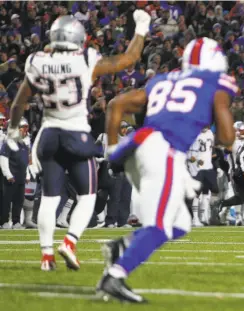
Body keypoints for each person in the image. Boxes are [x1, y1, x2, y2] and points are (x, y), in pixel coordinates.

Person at [5, 11, 152, 271]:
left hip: (49, 134)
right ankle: (70, 242)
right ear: (78, 37)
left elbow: (18, 103)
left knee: (50, 198)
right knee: (87, 195)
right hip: (76, 134)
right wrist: (141, 27)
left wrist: (13, 130)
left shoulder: (37, 60)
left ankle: (46, 256)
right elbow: (129, 58)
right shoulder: (85, 58)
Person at [96, 37, 236, 303]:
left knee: (180, 223)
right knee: (159, 226)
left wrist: (111, 149)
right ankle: (114, 276)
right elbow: (228, 137)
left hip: (136, 148)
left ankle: (122, 247)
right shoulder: (215, 83)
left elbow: (116, 105)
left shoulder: (164, 80)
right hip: (164, 150)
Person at [0, 118, 29, 229]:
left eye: (26, 128)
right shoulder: (8, 143)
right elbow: (3, 159)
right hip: (11, 177)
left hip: (21, 176)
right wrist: (8, 174)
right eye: (23, 128)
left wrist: (27, 175)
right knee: (6, 200)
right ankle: (4, 222)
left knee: (19, 200)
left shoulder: (24, 145)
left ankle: (16, 222)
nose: (25, 131)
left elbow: (25, 161)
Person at [188, 126, 217, 226]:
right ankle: (195, 219)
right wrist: (195, 162)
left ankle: (203, 217)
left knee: (207, 192)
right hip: (197, 168)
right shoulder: (194, 134)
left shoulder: (210, 133)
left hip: (208, 167)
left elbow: (211, 149)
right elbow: (190, 156)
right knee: (196, 193)